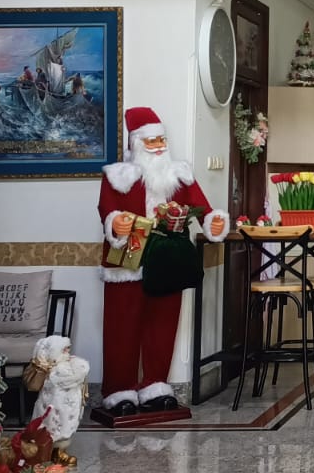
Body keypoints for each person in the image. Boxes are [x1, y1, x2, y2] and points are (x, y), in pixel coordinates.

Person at [97, 106, 229, 416]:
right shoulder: (117, 177)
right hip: (127, 261)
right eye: (151, 141)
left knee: (163, 324)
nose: (158, 147)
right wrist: (115, 223)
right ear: (136, 143)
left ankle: (155, 384)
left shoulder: (179, 175)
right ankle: (119, 389)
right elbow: (107, 209)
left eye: (161, 140)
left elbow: (202, 207)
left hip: (168, 259)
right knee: (122, 326)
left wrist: (213, 222)